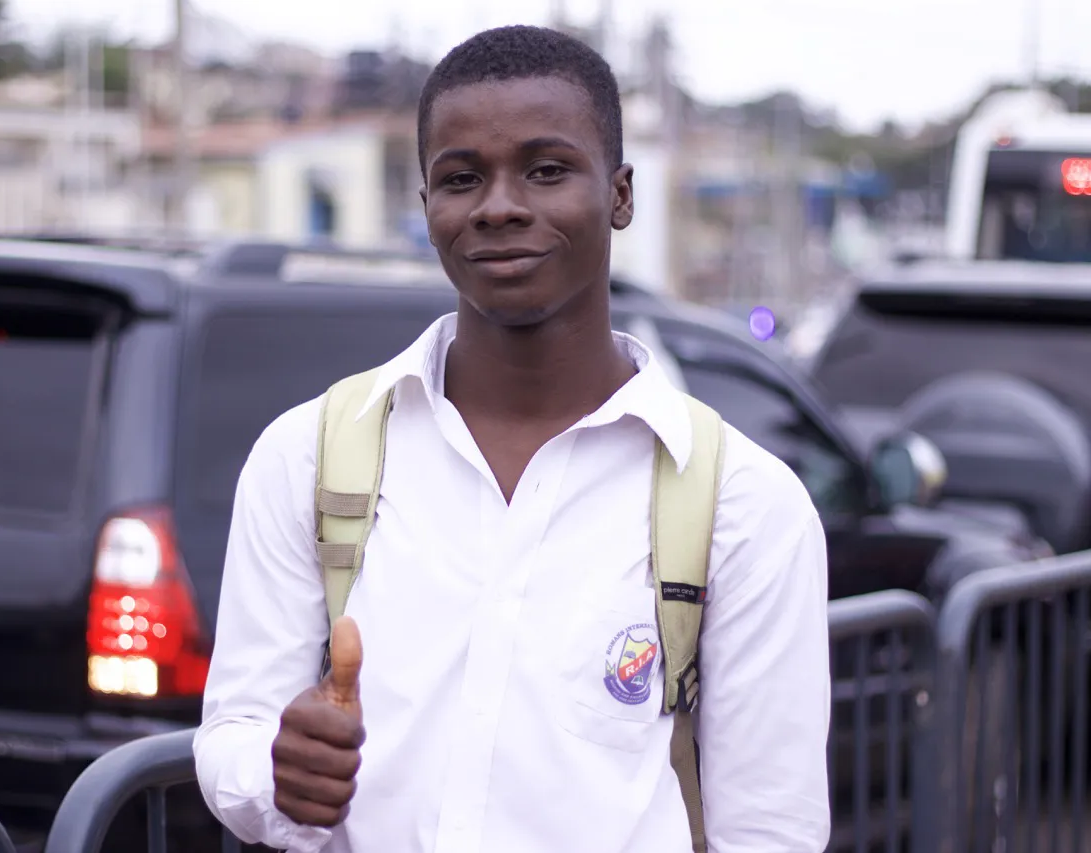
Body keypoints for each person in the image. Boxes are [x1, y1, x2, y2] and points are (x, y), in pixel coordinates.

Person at [194, 23, 831, 853]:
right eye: (461, 178)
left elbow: (769, 831)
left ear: (621, 194)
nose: (498, 204)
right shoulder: (309, 455)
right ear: (427, 208)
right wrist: (275, 776)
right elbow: (235, 727)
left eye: (546, 168)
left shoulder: (744, 503)